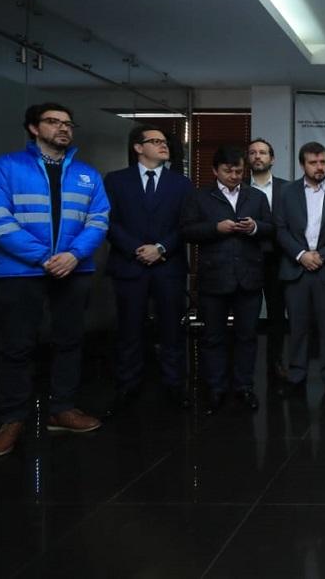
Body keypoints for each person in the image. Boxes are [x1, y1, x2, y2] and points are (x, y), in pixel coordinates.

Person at [0, 102, 109, 458]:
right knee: (17, 346)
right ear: (34, 128)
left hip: (74, 269)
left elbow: (98, 220)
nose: (63, 128)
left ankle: (63, 409)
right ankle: (12, 420)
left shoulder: (87, 175)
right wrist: (42, 256)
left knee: (69, 341)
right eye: (54, 122)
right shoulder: (5, 168)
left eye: (68, 123)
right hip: (20, 270)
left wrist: (74, 255)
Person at [103, 125, 194, 414]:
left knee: (172, 330)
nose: (163, 146)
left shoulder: (181, 184)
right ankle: (128, 386)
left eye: (165, 142)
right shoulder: (116, 181)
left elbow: (186, 225)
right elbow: (107, 221)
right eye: (155, 141)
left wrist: (161, 248)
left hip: (169, 266)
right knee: (129, 330)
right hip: (130, 265)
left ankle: (174, 386)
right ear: (138, 148)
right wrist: (136, 249)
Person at [181, 145, 274, 414]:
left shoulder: (255, 197)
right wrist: (215, 228)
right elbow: (186, 230)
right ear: (215, 171)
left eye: (238, 171)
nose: (234, 176)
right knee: (213, 337)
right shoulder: (200, 197)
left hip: (249, 278)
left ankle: (244, 387)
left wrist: (254, 227)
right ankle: (216, 388)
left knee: (247, 337)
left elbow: (270, 227)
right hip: (214, 277)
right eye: (228, 171)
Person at [274, 142, 325, 398]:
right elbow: (280, 229)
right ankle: (296, 375)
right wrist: (302, 255)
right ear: (303, 165)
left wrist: (322, 256)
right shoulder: (286, 192)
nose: (319, 167)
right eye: (313, 163)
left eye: (323, 162)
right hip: (296, 270)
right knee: (298, 327)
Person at [248, 138, 289, 380]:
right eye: (252, 152)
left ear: (272, 158)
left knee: (276, 316)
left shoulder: (287, 188)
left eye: (263, 152)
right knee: (247, 316)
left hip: (278, 259)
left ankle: (276, 363)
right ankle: (244, 368)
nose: (257, 156)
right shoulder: (237, 186)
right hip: (247, 259)